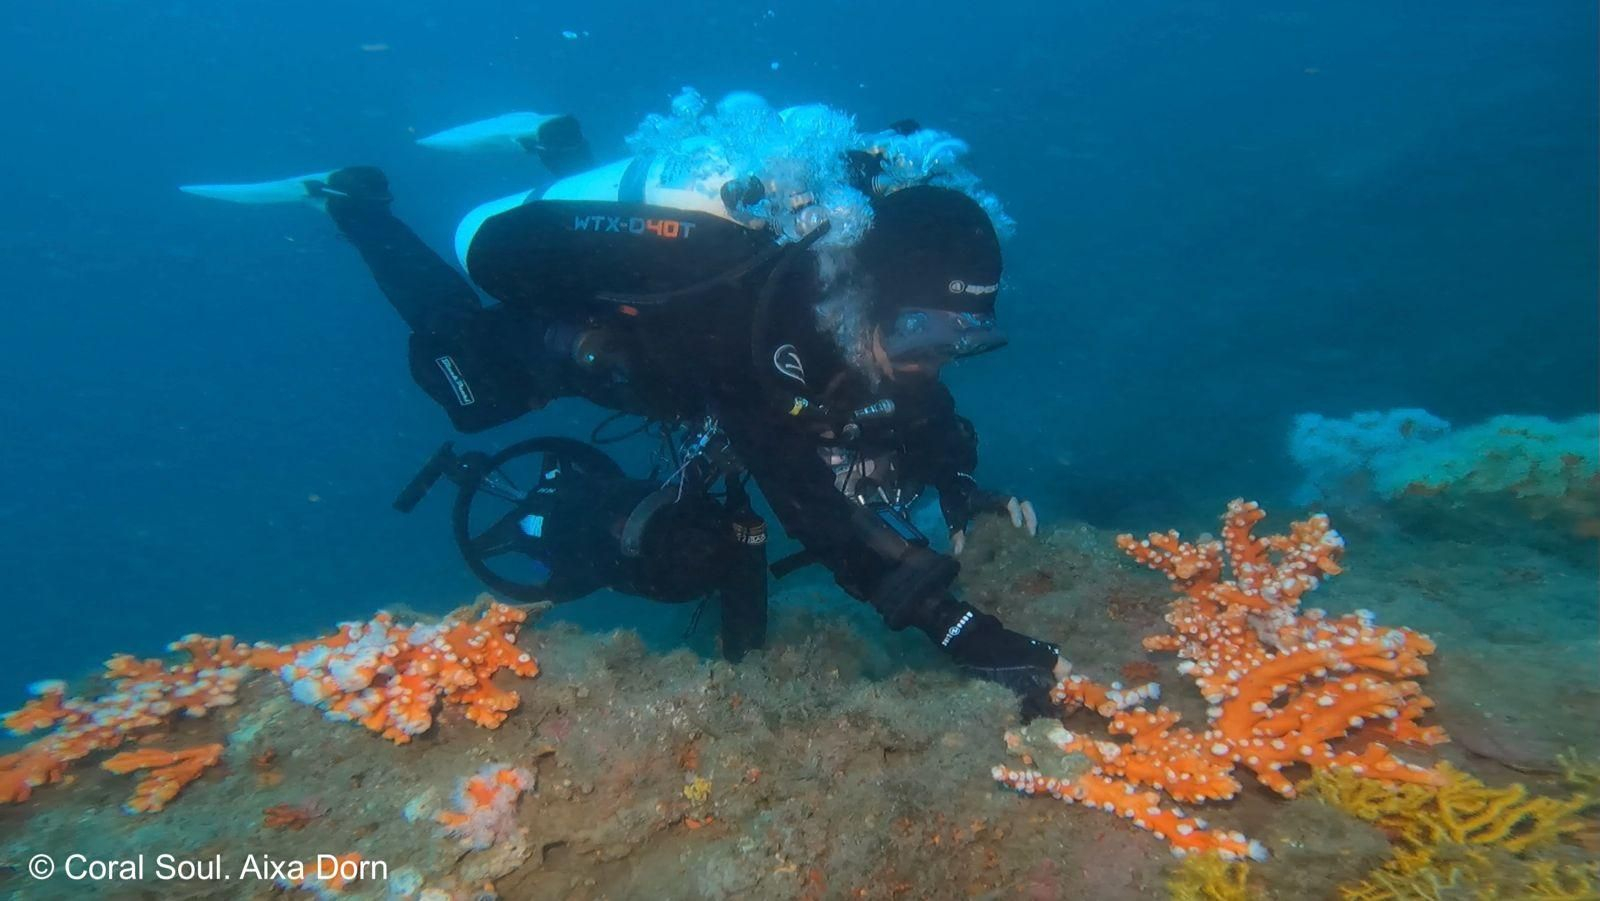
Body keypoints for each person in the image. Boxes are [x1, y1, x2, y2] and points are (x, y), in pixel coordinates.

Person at [183, 101, 1066, 711]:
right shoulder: (752, 327)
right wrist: (963, 631)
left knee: (666, 328)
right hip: (552, 277)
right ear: (864, 291)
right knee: (478, 378)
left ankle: (558, 145)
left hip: (665, 302)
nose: (928, 359)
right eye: (918, 332)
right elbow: (813, 507)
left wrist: (957, 481)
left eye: (958, 339)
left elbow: (915, 390)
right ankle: (355, 202)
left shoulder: (845, 289)